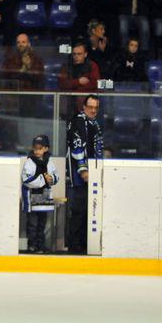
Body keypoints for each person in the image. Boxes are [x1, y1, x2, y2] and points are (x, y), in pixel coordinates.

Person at [65, 94, 103, 255]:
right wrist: (83, 170)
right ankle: (74, 247)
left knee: (88, 211)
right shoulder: (78, 121)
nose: (93, 110)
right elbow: (77, 147)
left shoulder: (94, 123)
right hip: (79, 176)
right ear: (84, 107)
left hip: (92, 172)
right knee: (79, 211)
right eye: (90, 107)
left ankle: (84, 244)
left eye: (96, 108)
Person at [21, 134, 59, 254]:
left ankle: (40, 245)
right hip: (32, 198)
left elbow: (56, 175)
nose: (37, 151)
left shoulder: (50, 161)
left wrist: (51, 179)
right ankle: (32, 245)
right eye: (35, 148)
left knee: (42, 223)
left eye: (40, 148)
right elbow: (26, 180)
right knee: (32, 223)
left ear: (46, 148)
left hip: (44, 197)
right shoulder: (29, 162)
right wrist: (43, 179)